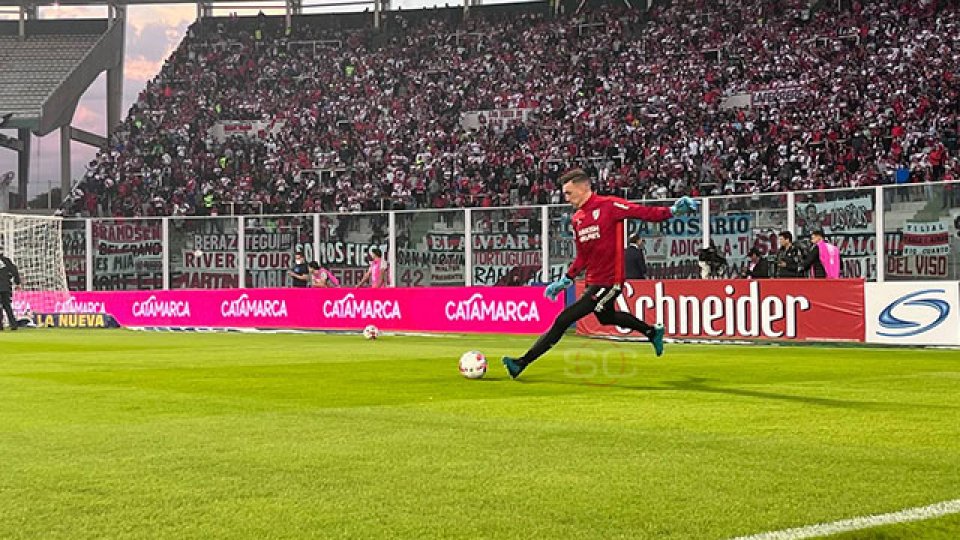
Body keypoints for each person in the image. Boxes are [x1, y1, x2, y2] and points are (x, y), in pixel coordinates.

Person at [502, 169, 699, 379]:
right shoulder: (577, 219)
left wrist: (672, 211)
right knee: (606, 318)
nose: (566, 199)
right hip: (593, 281)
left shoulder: (610, 205)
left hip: (610, 281)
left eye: (568, 193)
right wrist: (566, 279)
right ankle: (651, 331)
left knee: (563, 319)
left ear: (583, 187)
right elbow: (583, 257)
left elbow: (643, 212)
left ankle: (521, 363)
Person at [0, 251, 21, 331]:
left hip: (4, 286)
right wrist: (17, 282)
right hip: (6, 287)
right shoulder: (6, 261)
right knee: (7, 306)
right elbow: (14, 271)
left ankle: (0, 326)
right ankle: (13, 325)